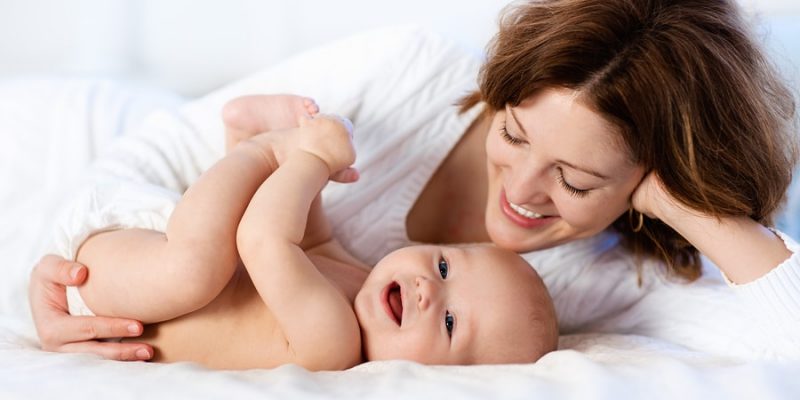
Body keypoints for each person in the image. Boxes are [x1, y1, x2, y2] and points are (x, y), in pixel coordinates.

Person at [29, 0, 799, 362]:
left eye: (574, 178)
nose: (523, 190)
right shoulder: (412, 70)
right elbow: (147, 161)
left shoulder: (615, 275)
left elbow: (788, 339)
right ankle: (252, 138)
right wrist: (74, 263)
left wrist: (680, 201)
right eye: (514, 133)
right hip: (127, 189)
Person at [64, 95, 558, 370]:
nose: (429, 289)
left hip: (110, 303)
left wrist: (311, 159)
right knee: (197, 266)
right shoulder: (361, 276)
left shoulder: (335, 344)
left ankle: (257, 147)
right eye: (445, 267)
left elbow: (264, 240)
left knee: (198, 268)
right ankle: (253, 143)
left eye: (451, 323)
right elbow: (310, 237)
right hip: (131, 262)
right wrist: (310, 179)